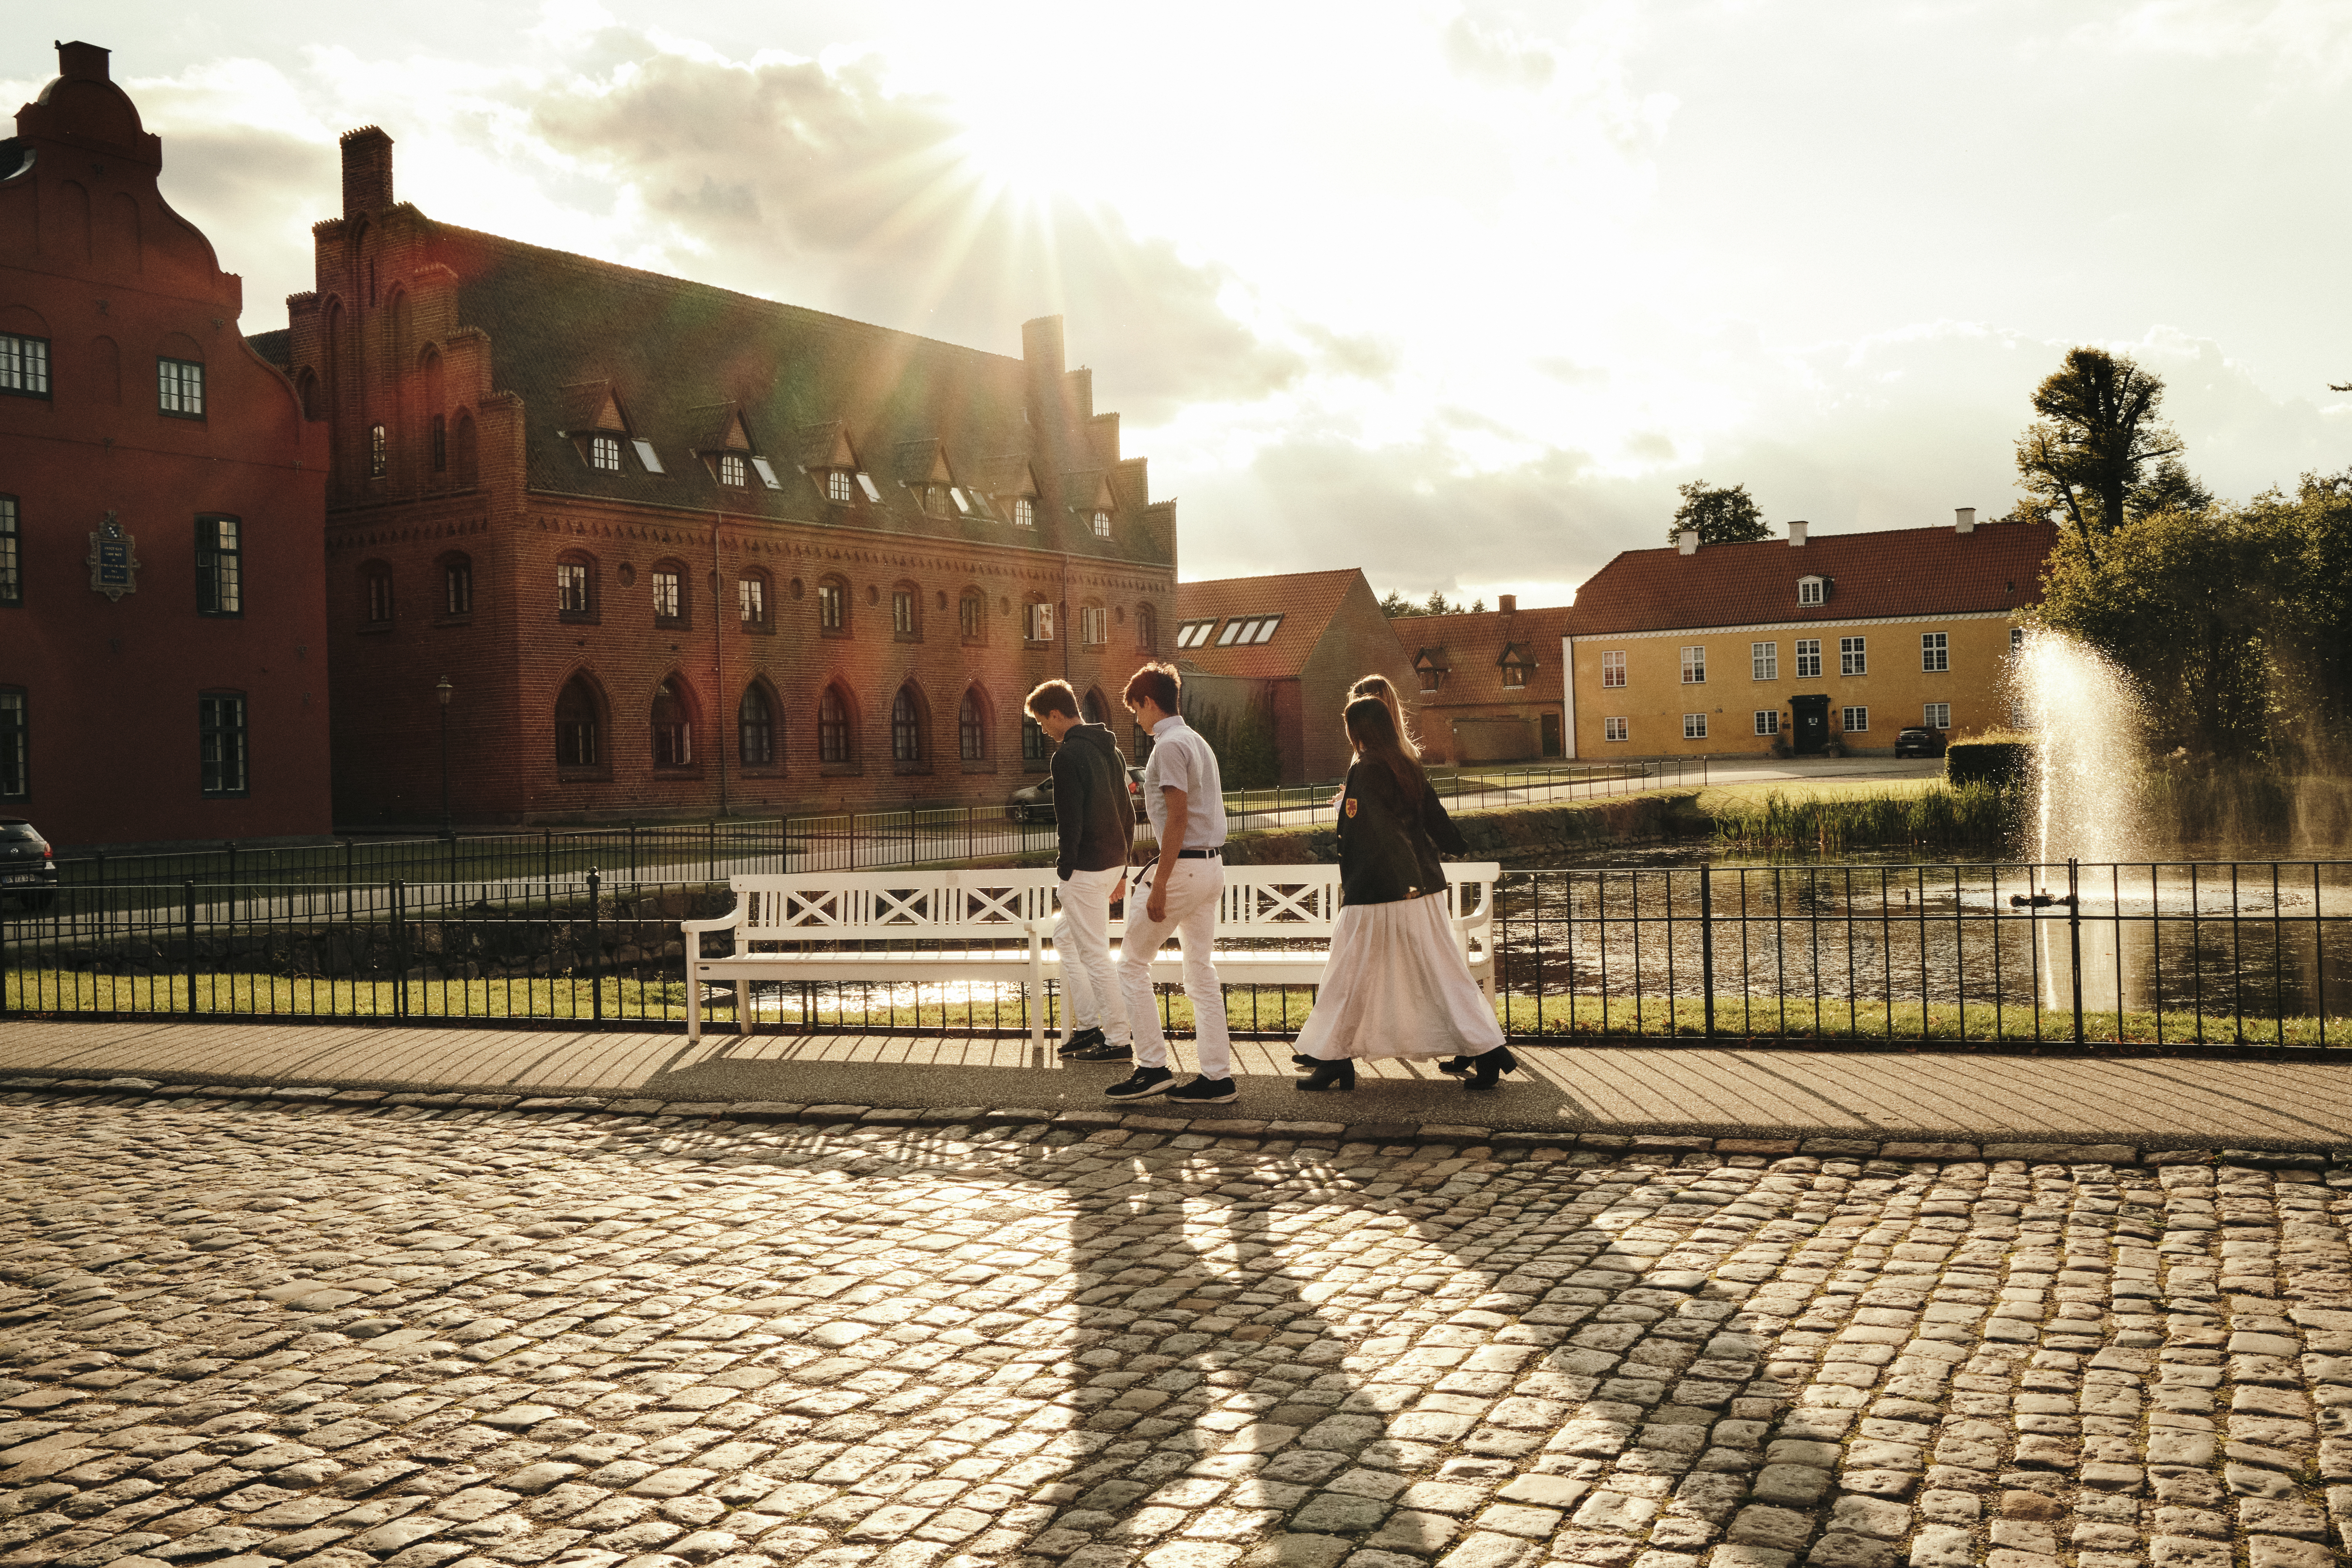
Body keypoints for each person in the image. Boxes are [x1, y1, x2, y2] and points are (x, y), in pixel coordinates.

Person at [1291, 694, 1518, 1091]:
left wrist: (1406, 880)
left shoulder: (1367, 767)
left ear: (1358, 729)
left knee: (1346, 974)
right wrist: (1454, 847)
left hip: (1382, 890)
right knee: (1442, 970)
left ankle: (1333, 1059)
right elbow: (1432, 816)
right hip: (1418, 888)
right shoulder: (1404, 763)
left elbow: (1382, 830)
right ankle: (1488, 1050)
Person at [1102, 662, 1237, 1104]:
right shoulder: (1198, 741)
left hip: (1181, 869)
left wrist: (1159, 881)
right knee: (1200, 972)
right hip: (1211, 867)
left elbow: (1177, 816)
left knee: (1131, 964)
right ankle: (1217, 1077)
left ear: (1148, 701)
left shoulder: (1168, 747)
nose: (1137, 720)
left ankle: (1152, 1067)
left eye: (1136, 710)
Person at [1024, 679, 1135, 1062]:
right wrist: (1123, 868)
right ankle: (1089, 1026)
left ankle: (1119, 1039)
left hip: (1085, 870)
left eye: (1042, 722)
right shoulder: (1113, 751)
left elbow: (1067, 821)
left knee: (1094, 954)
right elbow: (1129, 812)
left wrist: (1064, 871)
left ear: (1057, 714)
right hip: (1110, 865)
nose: (1044, 730)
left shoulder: (1067, 756)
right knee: (1065, 937)